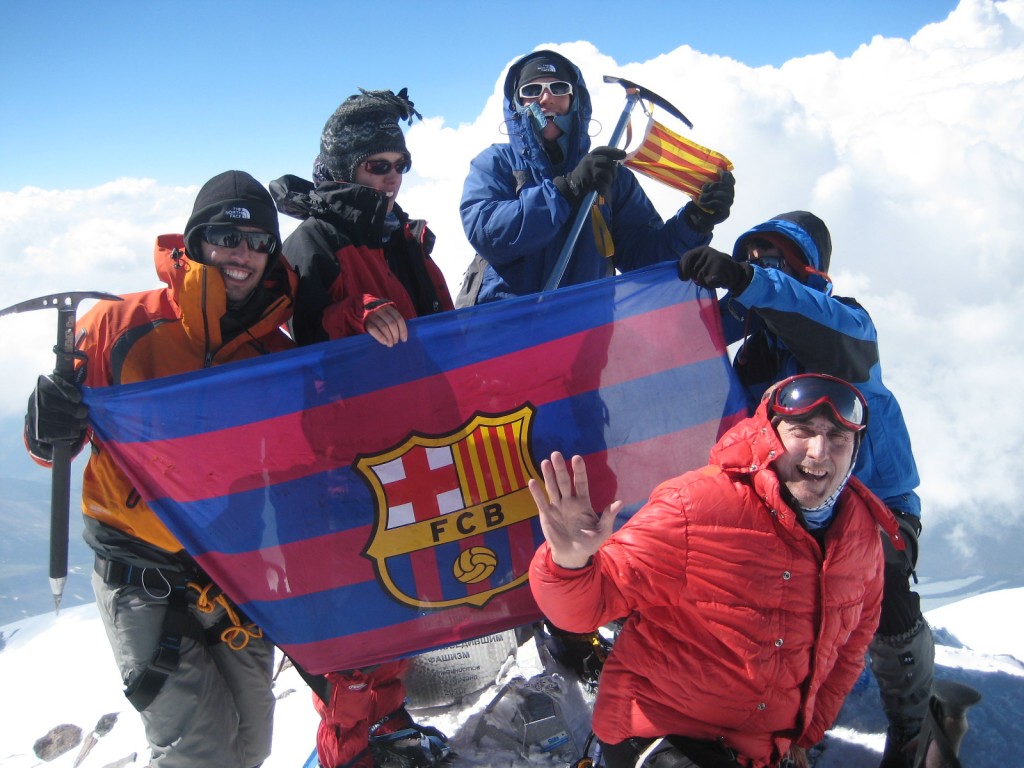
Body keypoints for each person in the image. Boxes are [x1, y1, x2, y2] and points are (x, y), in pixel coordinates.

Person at [24, 171, 296, 768]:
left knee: (251, 746)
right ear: (196, 241)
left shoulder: (275, 351)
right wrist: (49, 420)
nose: (243, 254)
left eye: (258, 243)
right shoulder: (119, 326)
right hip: (138, 571)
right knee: (199, 756)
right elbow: (52, 449)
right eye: (226, 236)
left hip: (233, 573)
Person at [529, 373, 902, 768]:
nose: (818, 450)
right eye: (802, 431)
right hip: (662, 732)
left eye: (838, 439)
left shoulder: (860, 536)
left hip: (757, 748)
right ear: (769, 434)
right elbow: (584, 609)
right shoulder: (697, 506)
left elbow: (848, 648)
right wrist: (570, 562)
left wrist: (804, 734)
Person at [677, 212, 934, 768]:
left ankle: (916, 724)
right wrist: (670, 301)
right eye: (750, 257)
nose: (756, 267)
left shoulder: (846, 325)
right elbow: (688, 345)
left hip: (876, 502)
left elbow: (816, 326)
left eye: (772, 258)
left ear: (806, 267)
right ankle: (785, 727)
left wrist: (748, 285)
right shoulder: (757, 352)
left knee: (881, 577)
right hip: (797, 506)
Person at [271, 88, 453, 768]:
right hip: (340, 468)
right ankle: (344, 753)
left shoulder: (401, 238)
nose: (390, 178)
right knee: (350, 621)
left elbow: (439, 330)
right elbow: (296, 337)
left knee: (400, 598)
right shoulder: (310, 242)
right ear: (343, 167)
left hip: (414, 452)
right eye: (376, 165)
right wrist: (357, 317)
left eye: (398, 164)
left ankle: (389, 717)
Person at [457, 49, 735, 304]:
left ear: (574, 99)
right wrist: (566, 190)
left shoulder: (611, 177)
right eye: (531, 90)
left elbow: (646, 259)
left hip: (583, 337)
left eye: (558, 87)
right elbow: (488, 233)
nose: (545, 98)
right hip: (501, 337)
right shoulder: (496, 163)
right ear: (517, 103)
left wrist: (696, 221)